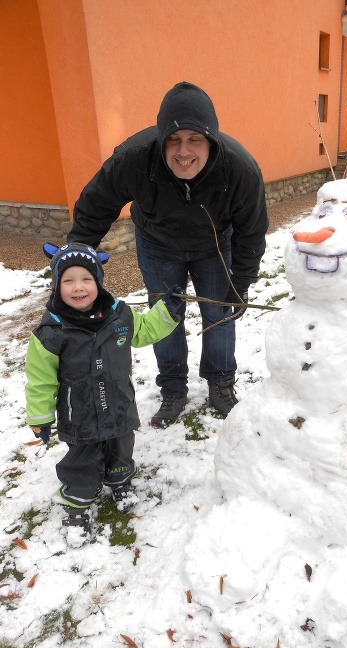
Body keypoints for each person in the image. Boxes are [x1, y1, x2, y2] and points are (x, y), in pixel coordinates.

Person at [67, 81, 269, 428]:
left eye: (195, 139)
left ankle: (220, 383)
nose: (183, 151)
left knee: (219, 314)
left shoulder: (238, 169)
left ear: (211, 140)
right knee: (164, 317)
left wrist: (242, 281)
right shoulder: (134, 159)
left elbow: (252, 230)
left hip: (215, 246)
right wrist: (75, 257)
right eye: (173, 139)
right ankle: (173, 389)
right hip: (158, 243)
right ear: (160, 140)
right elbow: (96, 205)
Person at [25, 242, 182, 545]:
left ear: (97, 281)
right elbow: (40, 381)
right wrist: (41, 418)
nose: (78, 288)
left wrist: (168, 311)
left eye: (86, 279)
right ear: (56, 285)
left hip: (120, 405)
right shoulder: (50, 334)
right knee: (82, 461)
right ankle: (77, 504)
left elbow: (145, 330)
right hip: (80, 414)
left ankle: (120, 481)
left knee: (121, 449)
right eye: (68, 281)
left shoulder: (119, 317)